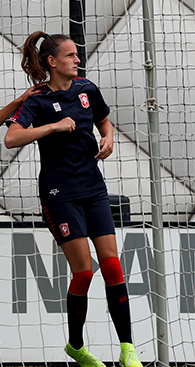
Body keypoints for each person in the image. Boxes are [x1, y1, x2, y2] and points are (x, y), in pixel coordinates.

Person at [4, 31, 143, 367]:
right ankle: (77, 347)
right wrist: (52, 127)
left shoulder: (87, 90)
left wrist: (108, 138)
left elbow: (104, 123)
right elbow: (11, 138)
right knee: (84, 273)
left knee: (112, 265)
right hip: (59, 195)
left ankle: (128, 348)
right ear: (52, 62)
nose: (77, 60)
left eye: (77, 56)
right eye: (70, 56)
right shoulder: (36, 101)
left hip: (93, 189)